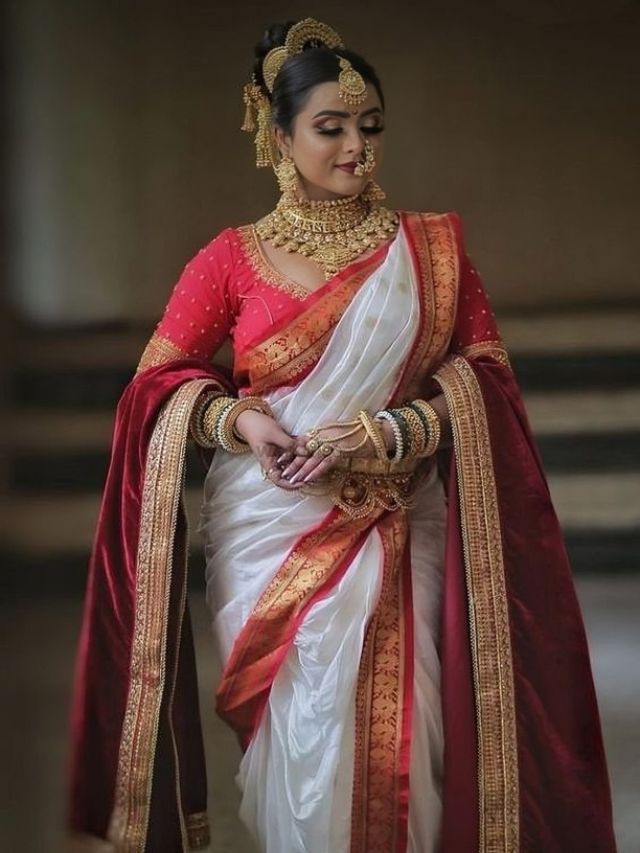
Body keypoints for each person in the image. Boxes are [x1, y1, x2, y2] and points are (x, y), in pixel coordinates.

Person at [68, 17, 617, 853]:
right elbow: (157, 382)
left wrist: (392, 432)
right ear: (278, 135)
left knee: (410, 735)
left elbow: (487, 384)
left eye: (370, 126)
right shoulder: (230, 258)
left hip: (402, 524)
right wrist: (244, 419)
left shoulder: (432, 252)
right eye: (331, 128)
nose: (357, 146)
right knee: (300, 741)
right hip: (269, 527)